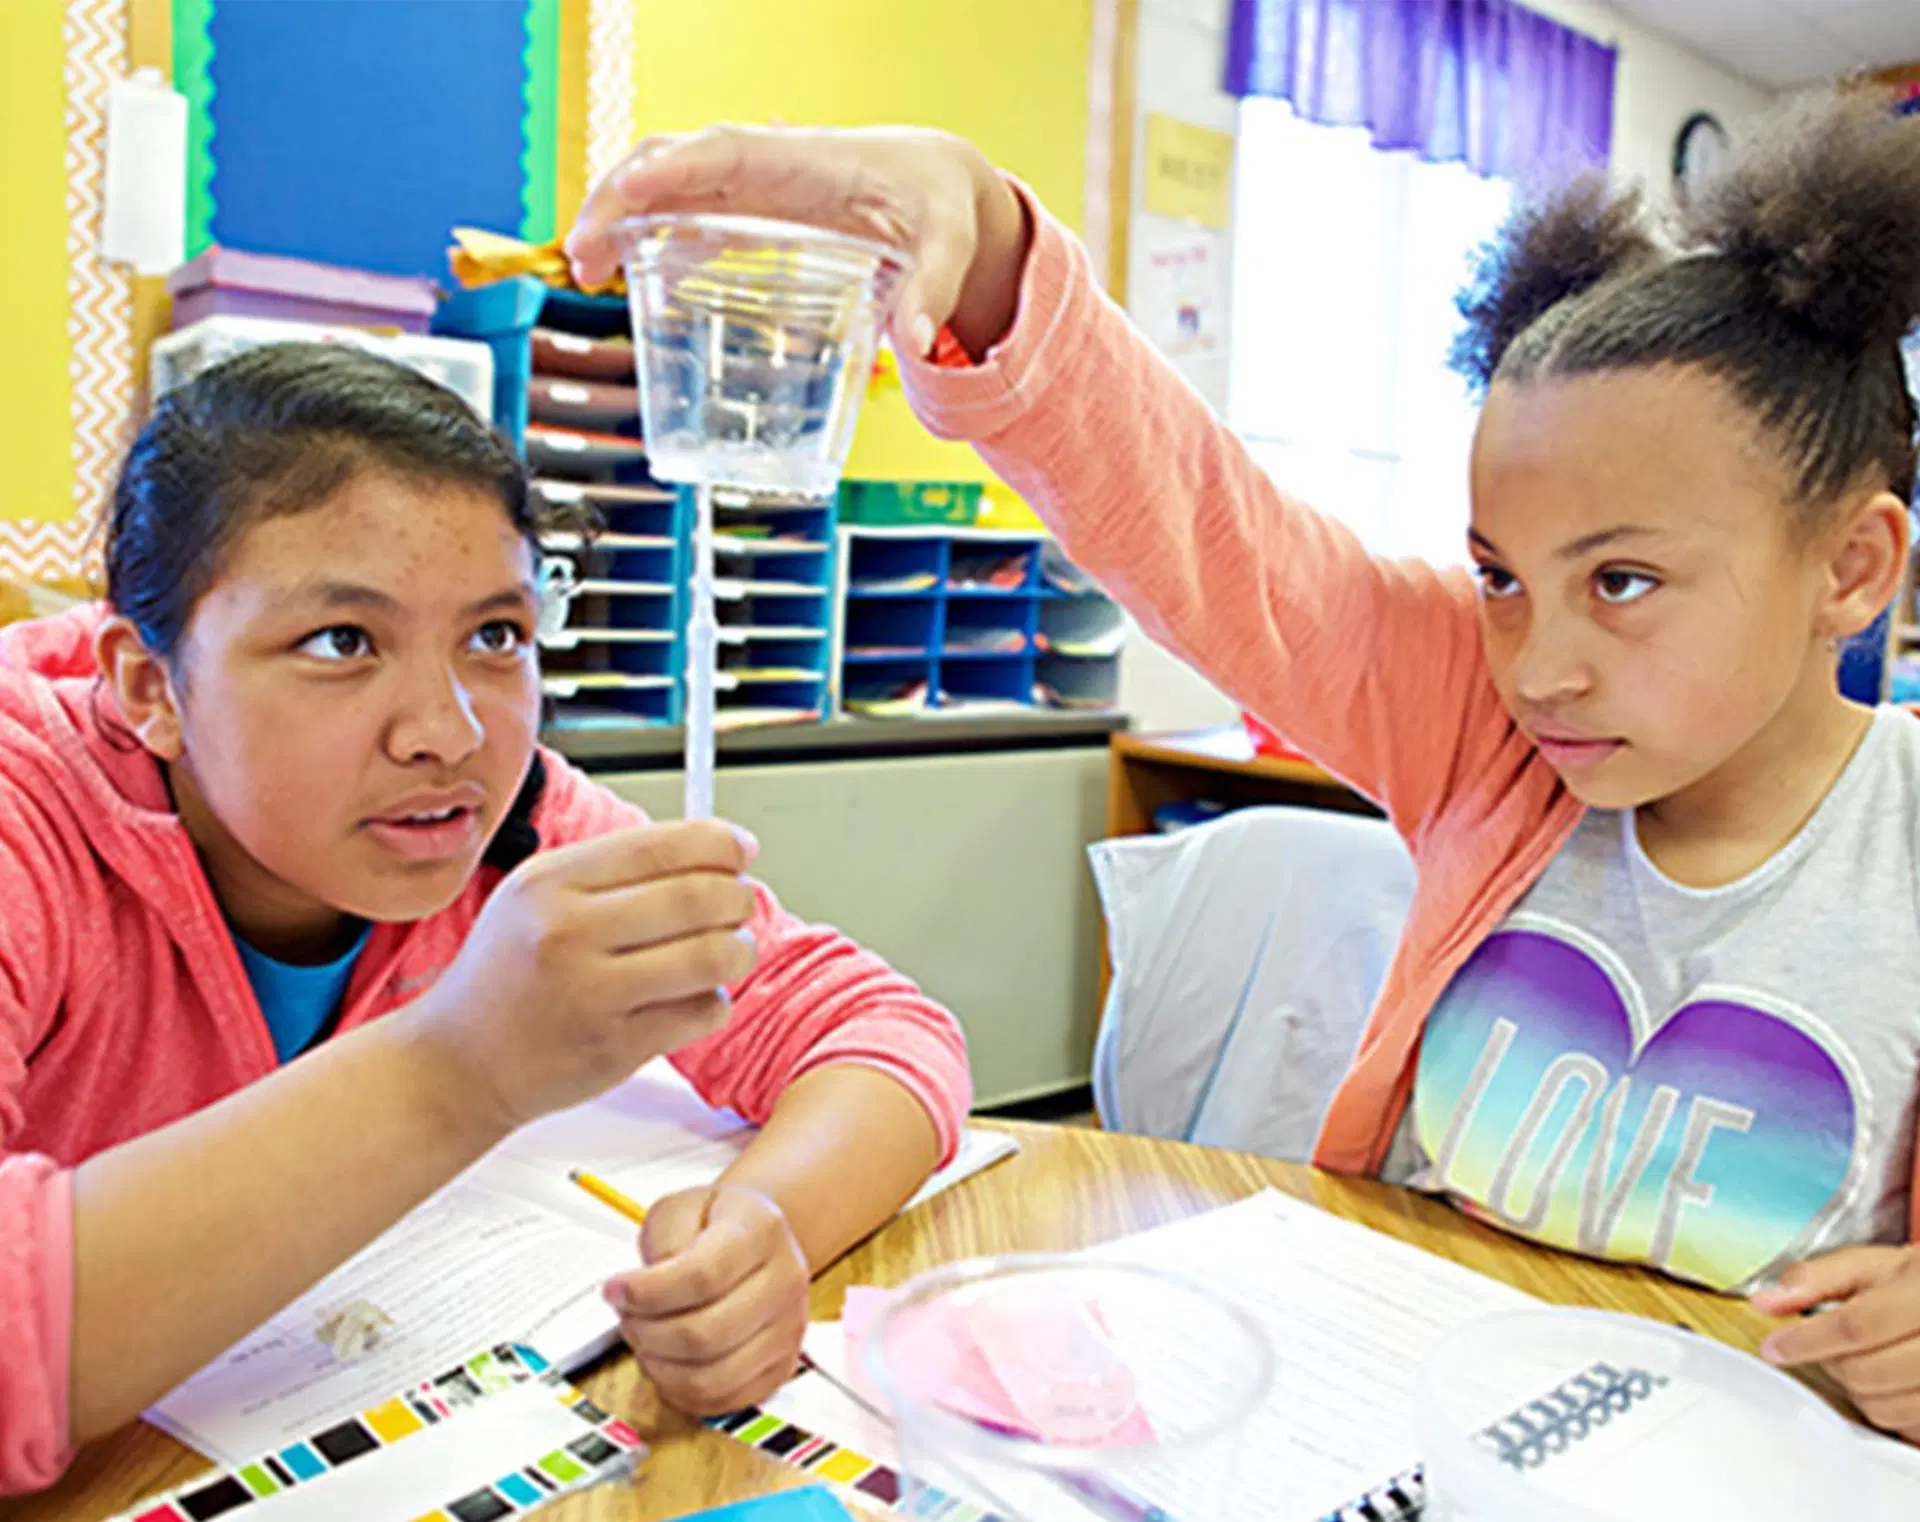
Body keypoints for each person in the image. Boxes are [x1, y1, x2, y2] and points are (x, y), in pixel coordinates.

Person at [567, 92, 1920, 1443]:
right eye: (1501, 576)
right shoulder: (1484, 721)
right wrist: (983, 239)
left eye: (1622, 580)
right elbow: (1217, 536)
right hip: (1399, 1419)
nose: (1541, 664)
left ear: (1853, 567)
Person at [0, 342, 970, 1495]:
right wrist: (462, 1064)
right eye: (341, 642)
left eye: (496, 636)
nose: (449, 732)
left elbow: (876, 1026)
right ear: (150, 686)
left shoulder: (508, 821)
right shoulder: (28, 820)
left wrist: (766, 1224)